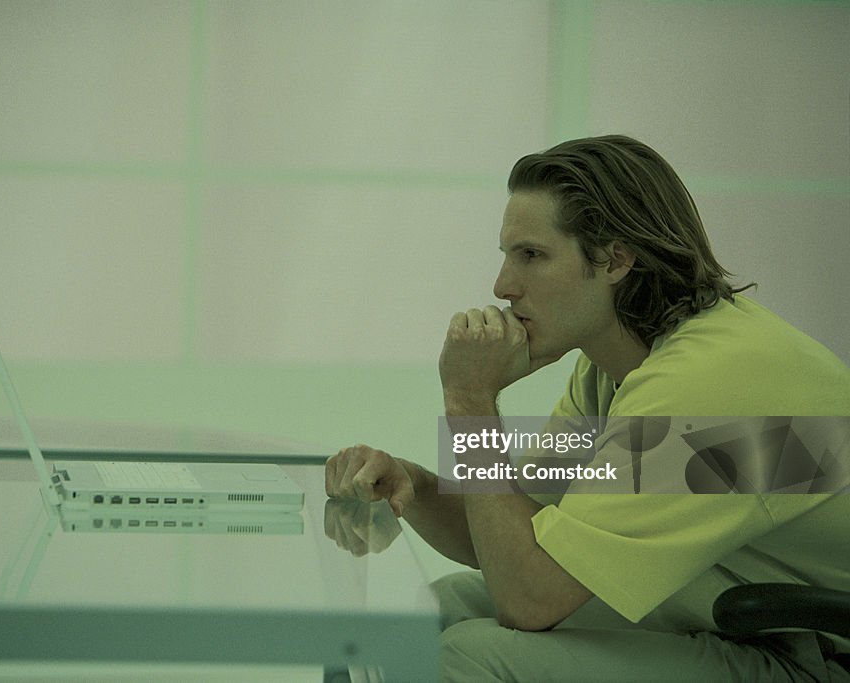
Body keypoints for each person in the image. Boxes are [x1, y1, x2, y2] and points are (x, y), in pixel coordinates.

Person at [325, 135, 850, 682]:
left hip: (817, 653)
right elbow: (511, 534)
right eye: (507, 257)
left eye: (531, 255)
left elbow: (528, 598)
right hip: (737, 616)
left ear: (615, 259)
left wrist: (470, 403)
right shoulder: (616, 367)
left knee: (467, 654)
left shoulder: (715, 387)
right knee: (444, 609)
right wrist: (415, 484)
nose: (503, 286)